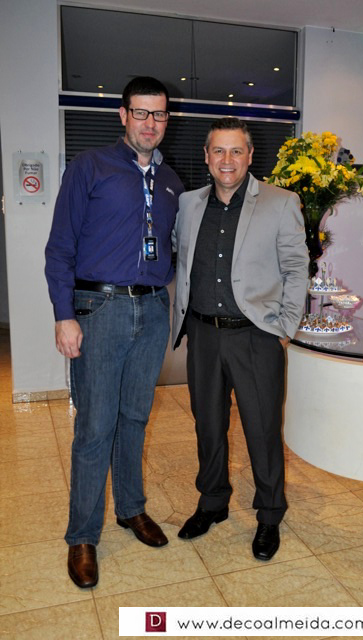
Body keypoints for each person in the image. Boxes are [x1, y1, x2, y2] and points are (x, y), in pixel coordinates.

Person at [45, 76, 184, 588]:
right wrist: (64, 315)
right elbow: (60, 246)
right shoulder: (90, 167)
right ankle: (82, 535)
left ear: (167, 119)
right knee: (95, 427)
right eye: (141, 113)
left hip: (152, 311)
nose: (150, 123)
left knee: (134, 418)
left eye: (159, 114)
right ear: (123, 115)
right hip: (99, 309)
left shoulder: (172, 182)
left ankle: (130, 508)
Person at [172, 117, 308, 561]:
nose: (226, 160)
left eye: (235, 151)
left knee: (262, 430)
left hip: (256, 338)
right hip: (203, 336)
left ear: (250, 156)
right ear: (206, 156)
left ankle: (269, 514)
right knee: (208, 426)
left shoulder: (281, 202)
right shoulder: (188, 204)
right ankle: (213, 503)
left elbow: (296, 268)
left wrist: (284, 327)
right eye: (218, 151)